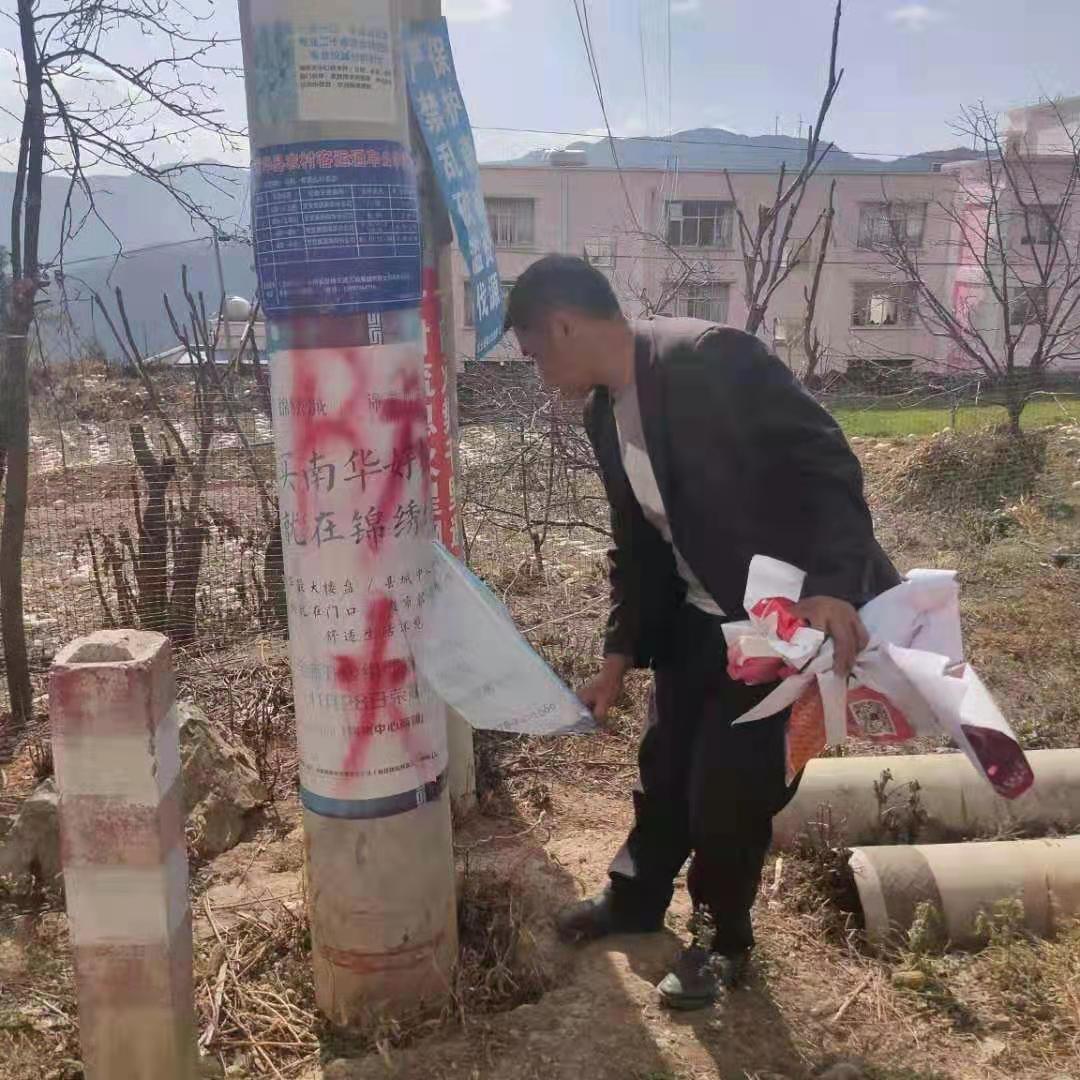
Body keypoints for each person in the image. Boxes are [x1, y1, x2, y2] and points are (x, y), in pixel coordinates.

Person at [503, 254, 899, 1010]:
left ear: (563, 325)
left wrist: (830, 586)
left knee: (729, 792)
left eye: (534, 353)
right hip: (696, 620)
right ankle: (635, 898)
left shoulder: (709, 358)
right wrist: (618, 655)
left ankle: (722, 942)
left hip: (776, 624)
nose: (539, 373)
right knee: (666, 765)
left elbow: (825, 461)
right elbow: (637, 543)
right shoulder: (604, 413)